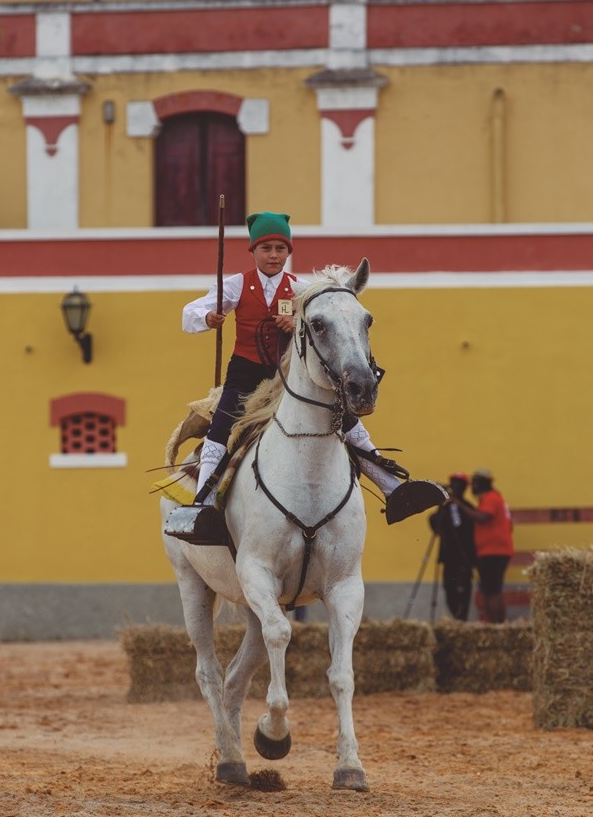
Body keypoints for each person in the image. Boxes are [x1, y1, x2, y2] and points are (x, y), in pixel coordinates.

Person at [169, 211, 441, 543]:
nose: (273, 255)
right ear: (253, 251)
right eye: (266, 248)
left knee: (346, 421)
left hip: (287, 378)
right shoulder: (237, 284)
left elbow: (320, 322)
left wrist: (295, 321)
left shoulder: (301, 288)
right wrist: (208, 317)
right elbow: (190, 313)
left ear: (288, 252)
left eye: (280, 249)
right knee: (219, 431)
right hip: (245, 375)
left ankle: (392, 488)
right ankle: (204, 506)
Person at [458, 468, 514, 624]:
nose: (472, 487)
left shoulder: (490, 498)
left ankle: (498, 625)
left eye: (474, 483)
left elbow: (482, 517)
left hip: (492, 552)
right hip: (496, 551)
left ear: (481, 483)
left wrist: (460, 505)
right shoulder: (497, 499)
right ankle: (498, 624)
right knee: (492, 589)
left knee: (492, 591)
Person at [428, 472, 476, 621]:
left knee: (463, 590)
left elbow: (468, 528)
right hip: (448, 556)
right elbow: (436, 524)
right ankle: (455, 618)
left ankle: (462, 618)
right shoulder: (445, 507)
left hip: (464, 557)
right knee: (449, 589)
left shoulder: (467, 507)